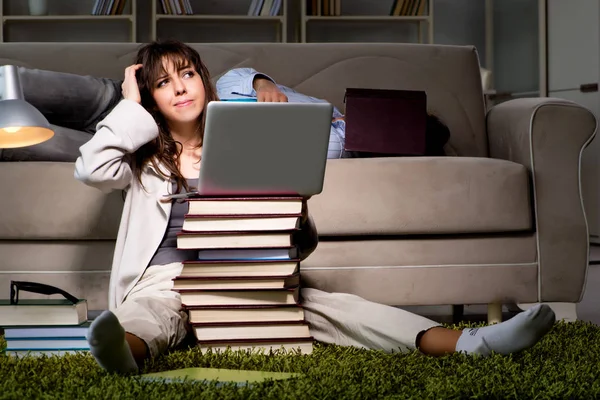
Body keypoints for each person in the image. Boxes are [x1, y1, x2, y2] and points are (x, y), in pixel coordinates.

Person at [72, 39, 556, 375]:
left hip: (243, 275)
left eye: (188, 73)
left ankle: (470, 343)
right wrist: (130, 105)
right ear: (150, 99)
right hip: (166, 280)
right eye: (162, 83)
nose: (179, 87)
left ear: (204, 80)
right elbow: (90, 168)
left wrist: (293, 224)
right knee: (153, 313)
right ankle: (125, 352)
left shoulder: (248, 141)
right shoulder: (140, 157)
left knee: (338, 309)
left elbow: (295, 240)